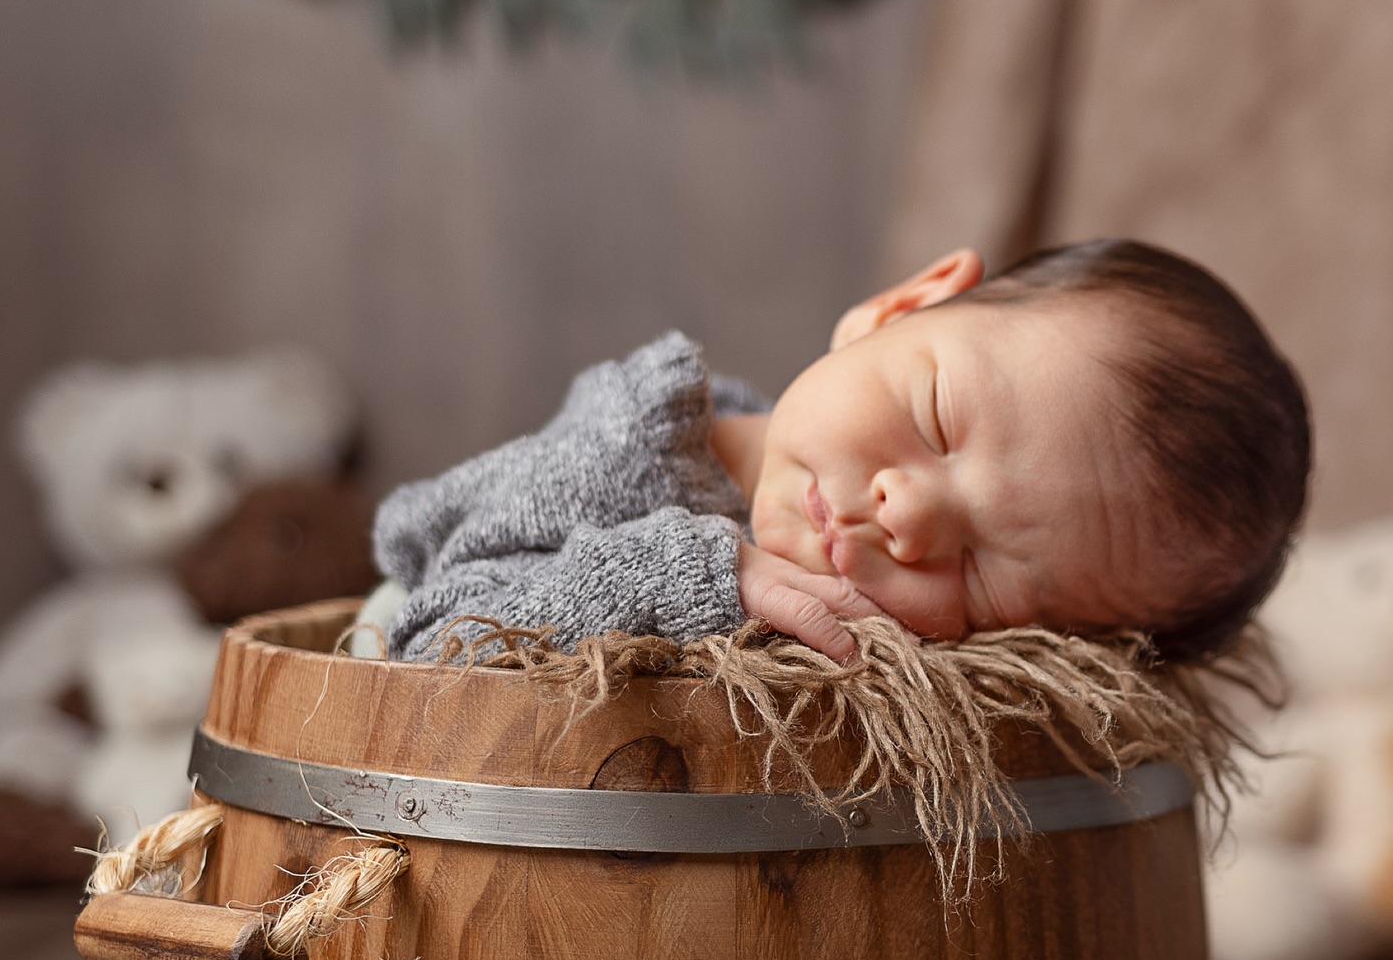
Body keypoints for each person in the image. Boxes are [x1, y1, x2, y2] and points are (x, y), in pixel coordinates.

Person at [368, 239, 1310, 667]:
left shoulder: (869, 639)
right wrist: (694, 573)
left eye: (983, 578)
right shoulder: (626, 447)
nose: (911, 516)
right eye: (937, 419)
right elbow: (431, 648)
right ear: (898, 308)